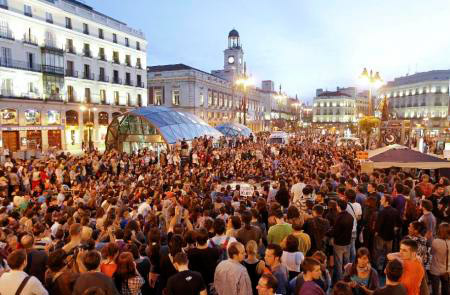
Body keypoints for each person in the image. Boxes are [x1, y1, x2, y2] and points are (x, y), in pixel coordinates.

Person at [374, 195, 402, 272]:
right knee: (388, 253)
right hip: (390, 236)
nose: (380, 201)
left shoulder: (382, 212)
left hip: (381, 236)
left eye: (382, 199)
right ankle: (386, 268)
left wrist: (376, 233)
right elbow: (400, 222)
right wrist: (395, 228)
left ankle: (378, 268)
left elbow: (378, 225)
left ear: (387, 202)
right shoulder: (395, 211)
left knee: (379, 252)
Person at [328, 199, 354, 281]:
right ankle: (347, 278)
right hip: (348, 242)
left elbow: (335, 232)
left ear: (338, 207)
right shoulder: (350, 216)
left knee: (338, 264)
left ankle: (340, 281)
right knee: (346, 263)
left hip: (339, 244)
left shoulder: (339, 217)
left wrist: (327, 233)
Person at [429, 223, 449, 295]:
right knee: (446, 289)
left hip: (436, 269)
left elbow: (431, 252)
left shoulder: (436, 241)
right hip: (447, 270)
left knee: (435, 290)